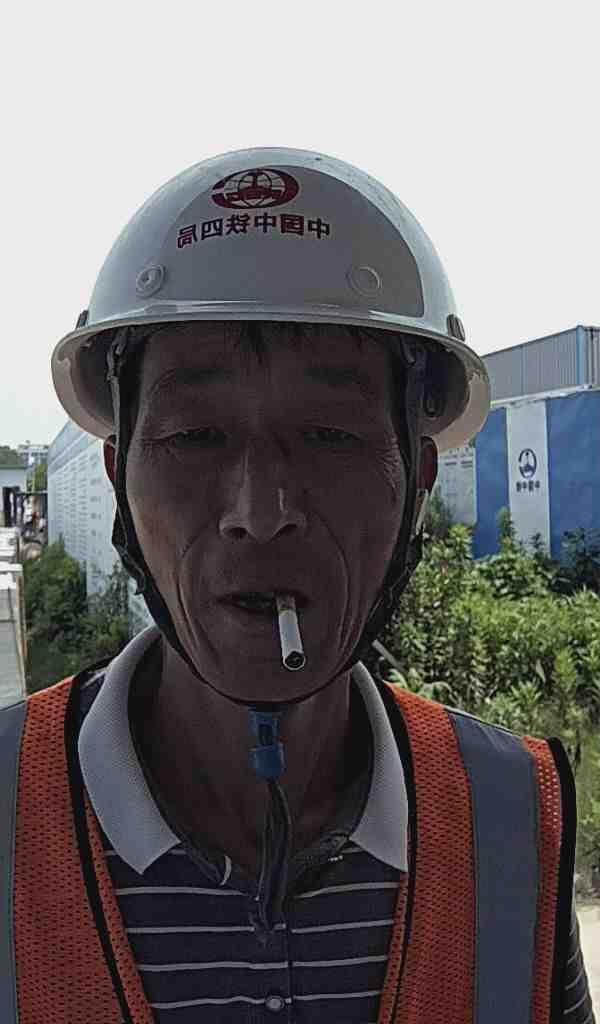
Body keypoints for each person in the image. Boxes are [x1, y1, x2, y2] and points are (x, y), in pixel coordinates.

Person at [1, 148, 595, 1023]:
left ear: (418, 479)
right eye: (195, 437)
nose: (260, 512)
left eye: (329, 435)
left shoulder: (509, 816)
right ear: (119, 473)